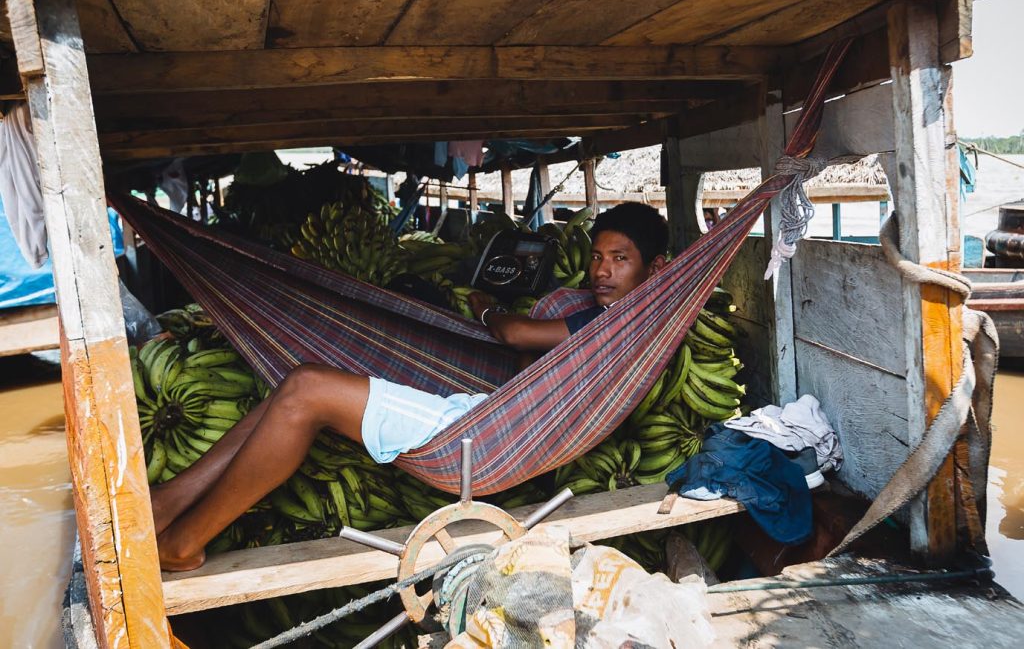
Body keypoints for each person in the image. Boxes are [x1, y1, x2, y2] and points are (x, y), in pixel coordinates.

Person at [152, 203, 668, 571]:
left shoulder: (622, 326)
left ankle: (183, 541)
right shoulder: (596, 315)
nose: (602, 270)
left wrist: (485, 305)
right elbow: (530, 361)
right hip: (488, 415)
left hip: (485, 442)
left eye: (620, 259)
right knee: (294, 383)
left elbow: (513, 333)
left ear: (657, 269)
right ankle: (169, 503)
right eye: (599, 256)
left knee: (307, 389)